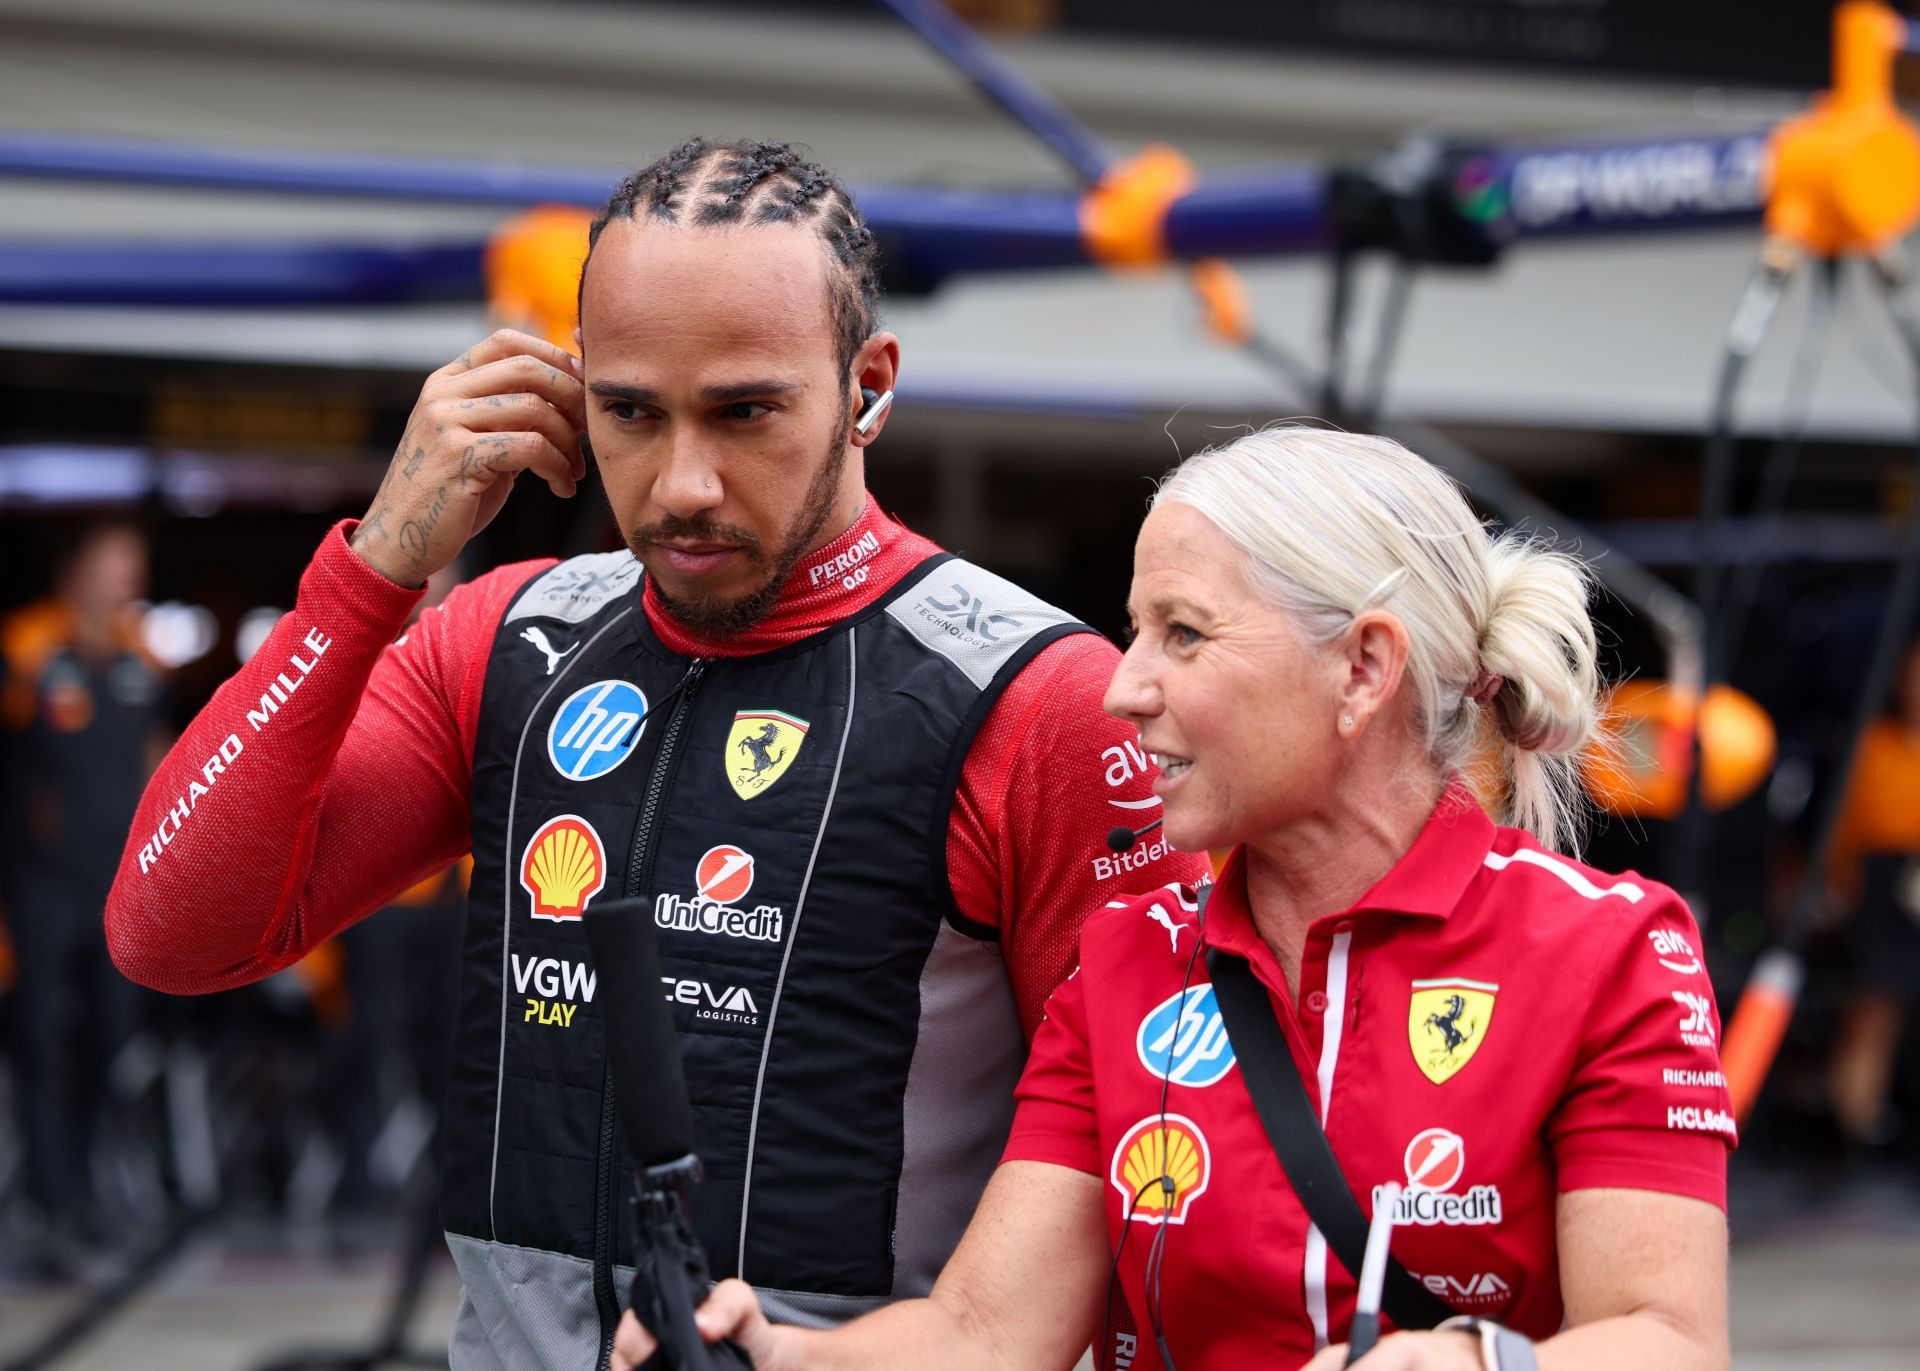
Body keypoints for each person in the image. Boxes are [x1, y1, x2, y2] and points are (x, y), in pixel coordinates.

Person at [104, 137, 1202, 1367]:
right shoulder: (504, 640)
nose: (682, 483)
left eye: (745, 411)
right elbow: (173, 934)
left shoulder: (1036, 694)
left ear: (868, 387)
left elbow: (1149, 1157)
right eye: (629, 411)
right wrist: (371, 578)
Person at [613, 427, 1735, 1371]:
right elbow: (985, 1337)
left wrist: (1474, 1359)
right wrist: (769, 1349)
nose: (1122, 685)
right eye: (1137, 629)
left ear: (1362, 668)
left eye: (1182, 634)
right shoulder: (1125, 961)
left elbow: (1671, 1340)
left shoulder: (1614, 950)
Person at [2, 521, 165, 1265]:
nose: (127, 575)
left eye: (134, 562)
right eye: (113, 561)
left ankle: (90, 1193)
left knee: (110, 1040)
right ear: (77, 567)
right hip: (38, 888)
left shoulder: (144, 659)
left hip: (116, 891)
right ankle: (49, 1200)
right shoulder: (28, 647)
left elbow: (162, 766)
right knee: (41, 1041)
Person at [1826, 636, 1920, 1150]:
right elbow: (1843, 828)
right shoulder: (1872, 746)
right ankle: (1858, 1136)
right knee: (1873, 1012)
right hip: (1883, 891)